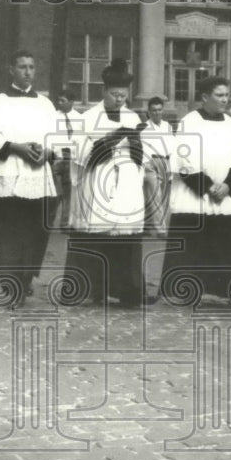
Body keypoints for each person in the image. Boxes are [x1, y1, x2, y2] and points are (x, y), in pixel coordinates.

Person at [62, 62, 153, 308]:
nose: (120, 100)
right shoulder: (88, 117)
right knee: (95, 235)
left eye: (124, 95)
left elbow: (143, 155)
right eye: (115, 95)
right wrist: (109, 140)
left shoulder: (133, 117)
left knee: (125, 238)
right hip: (98, 179)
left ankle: (128, 290)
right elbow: (80, 155)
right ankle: (89, 289)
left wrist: (135, 141)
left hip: (125, 181)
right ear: (104, 92)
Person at [0, 50, 58, 306]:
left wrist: (47, 152)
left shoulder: (45, 104)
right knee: (10, 231)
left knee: (35, 231)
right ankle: (11, 285)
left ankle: (26, 278)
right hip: (8, 174)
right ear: (11, 69)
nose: (27, 72)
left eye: (31, 67)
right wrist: (18, 148)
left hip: (37, 176)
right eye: (22, 67)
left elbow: (55, 136)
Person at [159, 77, 231, 303]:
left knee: (224, 243)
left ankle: (227, 290)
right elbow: (184, 156)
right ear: (205, 97)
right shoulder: (190, 121)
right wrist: (207, 186)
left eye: (226, 94)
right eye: (219, 95)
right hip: (195, 195)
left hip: (223, 195)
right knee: (191, 242)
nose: (225, 99)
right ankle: (180, 291)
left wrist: (227, 184)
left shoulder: (230, 123)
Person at [139, 95, 175, 236]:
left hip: (166, 162)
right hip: (150, 162)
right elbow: (142, 148)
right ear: (148, 111)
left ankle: (146, 226)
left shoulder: (167, 126)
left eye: (159, 110)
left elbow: (172, 146)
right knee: (155, 197)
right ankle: (161, 230)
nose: (156, 113)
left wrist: (171, 164)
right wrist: (146, 165)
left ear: (163, 110)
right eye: (153, 110)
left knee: (163, 197)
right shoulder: (144, 127)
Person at [49, 88, 84, 231]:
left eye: (62, 101)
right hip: (57, 158)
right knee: (54, 193)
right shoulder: (52, 117)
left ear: (71, 102)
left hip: (72, 159)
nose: (59, 103)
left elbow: (82, 138)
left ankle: (65, 223)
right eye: (58, 100)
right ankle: (48, 222)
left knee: (69, 194)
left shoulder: (80, 118)